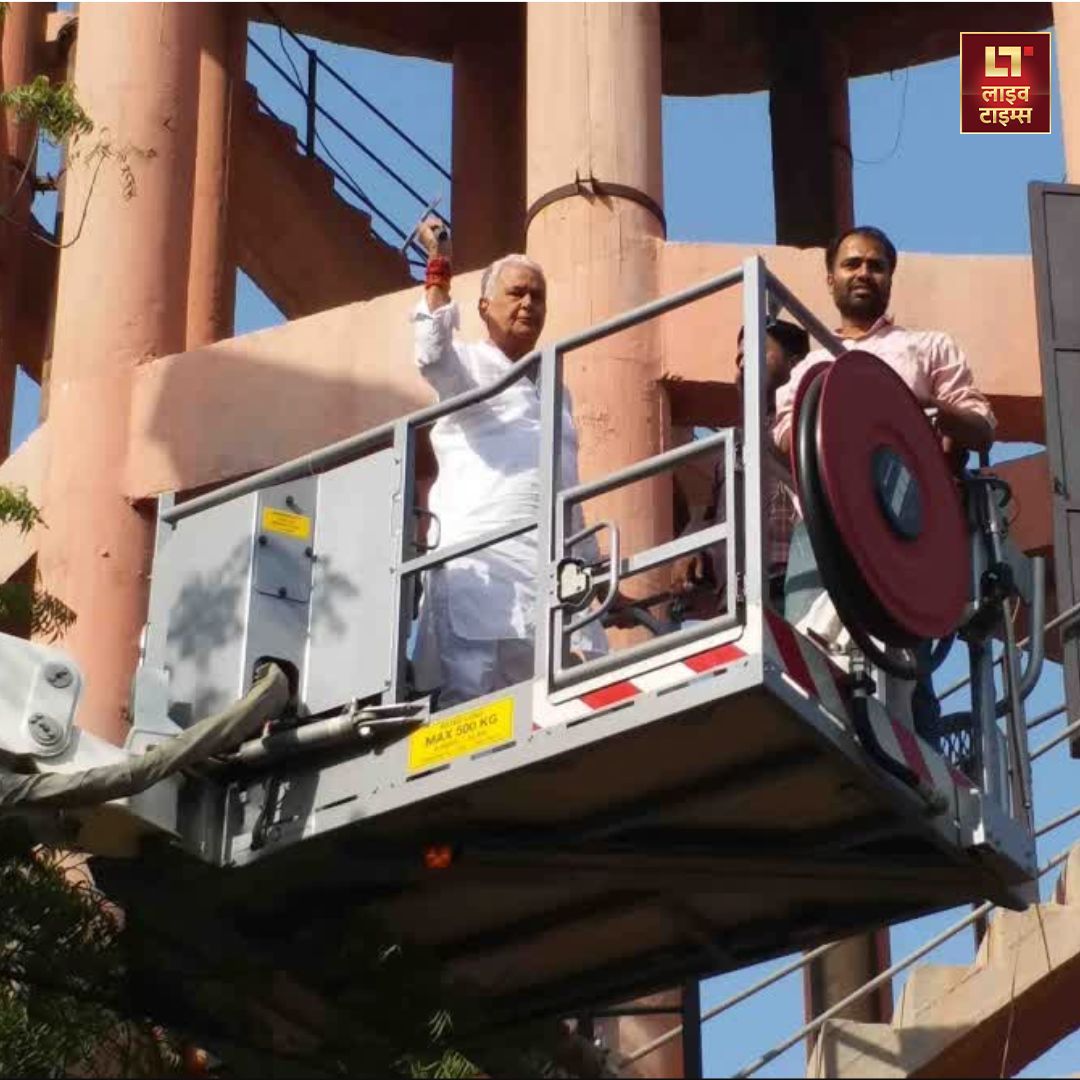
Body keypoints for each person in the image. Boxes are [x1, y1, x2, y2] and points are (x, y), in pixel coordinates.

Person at [772, 225, 995, 744]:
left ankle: (912, 762)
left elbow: (981, 427)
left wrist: (926, 415)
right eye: (852, 264)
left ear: (891, 278)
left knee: (906, 678)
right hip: (822, 535)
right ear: (830, 279)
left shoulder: (927, 348)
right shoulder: (808, 369)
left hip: (903, 534)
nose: (864, 274)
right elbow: (784, 439)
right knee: (810, 670)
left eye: (876, 265)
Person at [409, 219, 606, 708]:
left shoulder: (556, 389)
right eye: (517, 293)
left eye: (538, 297)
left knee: (554, 706)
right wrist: (438, 267)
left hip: (547, 572)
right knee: (468, 706)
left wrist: (592, 567)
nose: (528, 304)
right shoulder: (468, 366)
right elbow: (431, 354)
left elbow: (565, 484)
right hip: (480, 565)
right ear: (484, 307)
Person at [672, 318, 809, 616]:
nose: (745, 365)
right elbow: (718, 521)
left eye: (758, 352)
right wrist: (696, 550)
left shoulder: (813, 427)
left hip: (800, 586)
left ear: (795, 365)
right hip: (741, 600)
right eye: (740, 359)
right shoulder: (734, 446)